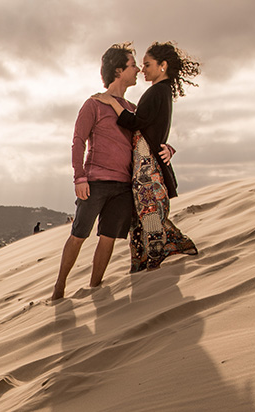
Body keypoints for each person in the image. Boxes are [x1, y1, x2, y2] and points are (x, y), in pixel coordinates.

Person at [93, 41, 200, 273]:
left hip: (147, 165)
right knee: (143, 212)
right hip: (145, 162)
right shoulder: (161, 91)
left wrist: (111, 102)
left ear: (163, 66)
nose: (143, 70)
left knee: (148, 211)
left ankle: (161, 250)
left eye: (148, 64)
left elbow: (136, 123)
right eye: (140, 65)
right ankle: (143, 258)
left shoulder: (157, 91)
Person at [52, 42, 145, 301]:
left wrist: (168, 147)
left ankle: (95, 289)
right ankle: (59, 287)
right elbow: (78, 141)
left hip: (123, 185)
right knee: (79, 234)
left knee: (109, 238)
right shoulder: (93, 104)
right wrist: (79, 177)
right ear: (118, 70)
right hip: (95, 182)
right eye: (132, 65)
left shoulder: (133, 109)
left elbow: (147, 136)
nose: (137, 69)